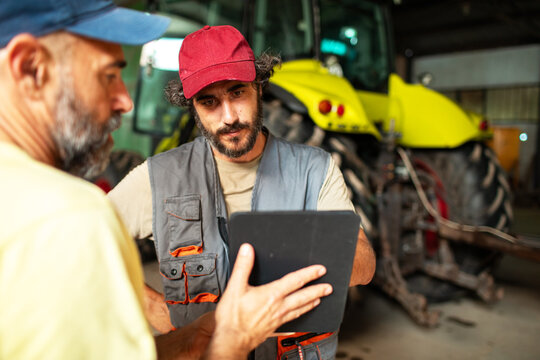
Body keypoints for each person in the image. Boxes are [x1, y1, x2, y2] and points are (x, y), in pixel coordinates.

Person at [0, 1, 333, 359]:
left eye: (238, 92)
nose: (125, 101)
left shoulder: (23, 199)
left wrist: (184, 341)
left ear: (258, 88)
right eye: (108, 75)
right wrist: (232, 342)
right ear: (31, 67)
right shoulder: (74, 219)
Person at [109, 24, 376, 360]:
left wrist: (300, 265)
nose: (229, 117)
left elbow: (364, 265)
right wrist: (155, 309)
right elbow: (84, 246)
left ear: (259, 87)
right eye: (209, 103)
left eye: (237, 93)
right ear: (192, 107)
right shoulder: (158, 178)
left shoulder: (315, 169)